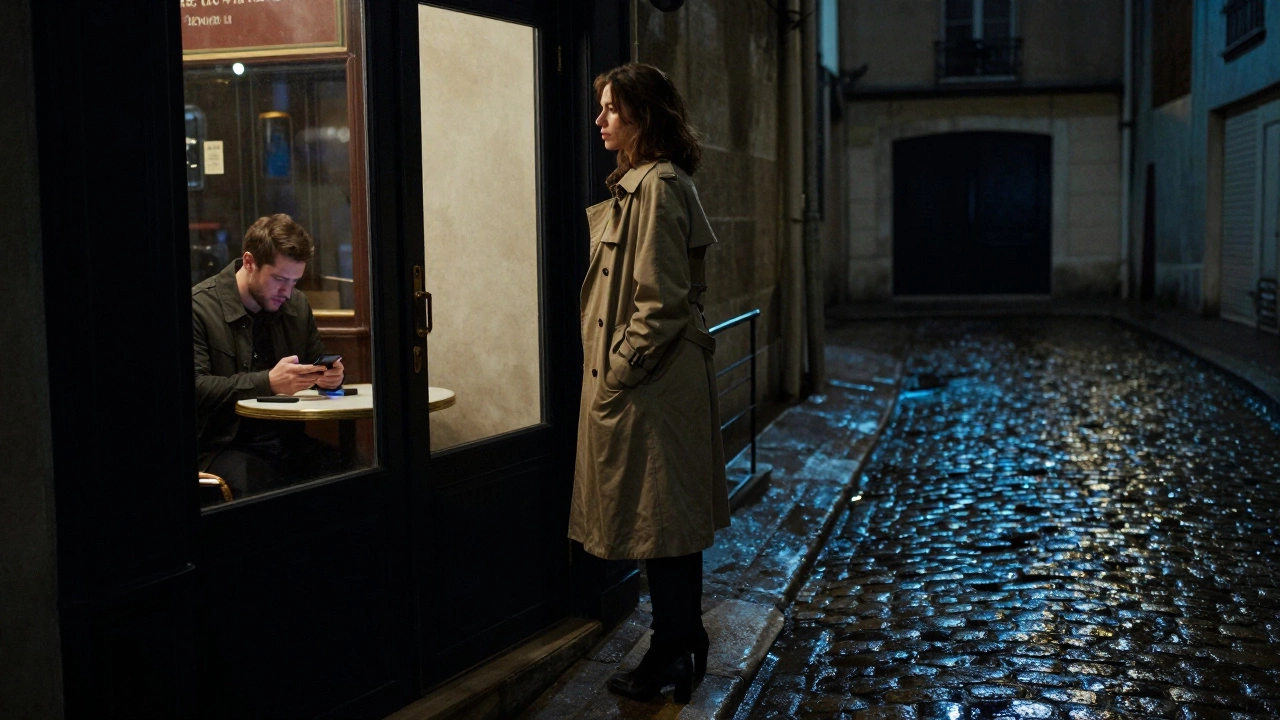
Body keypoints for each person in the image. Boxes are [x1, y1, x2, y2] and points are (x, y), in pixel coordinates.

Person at [570, 63, 730, 704]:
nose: (601, 120)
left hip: (652, 387)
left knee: (661, 528)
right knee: (659, 527)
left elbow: (659, 302)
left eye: (613, 109)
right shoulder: (643, 185)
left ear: (645, 115)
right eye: (601, 108)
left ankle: (670, 651)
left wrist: (618, 373)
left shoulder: (658, 185)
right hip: (650, 384)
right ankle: (681, 642)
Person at [192, 213, 346, 499]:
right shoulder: (199, 308)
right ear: (249, 262)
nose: (287, 292)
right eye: (279, 279)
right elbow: (197, 388)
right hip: (221, 445)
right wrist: (269, 383)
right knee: (265, 488)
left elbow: (318, 363)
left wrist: (331, 379)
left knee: (352, 472)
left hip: (286, 440)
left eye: (295, 281)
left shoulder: (296, 305)